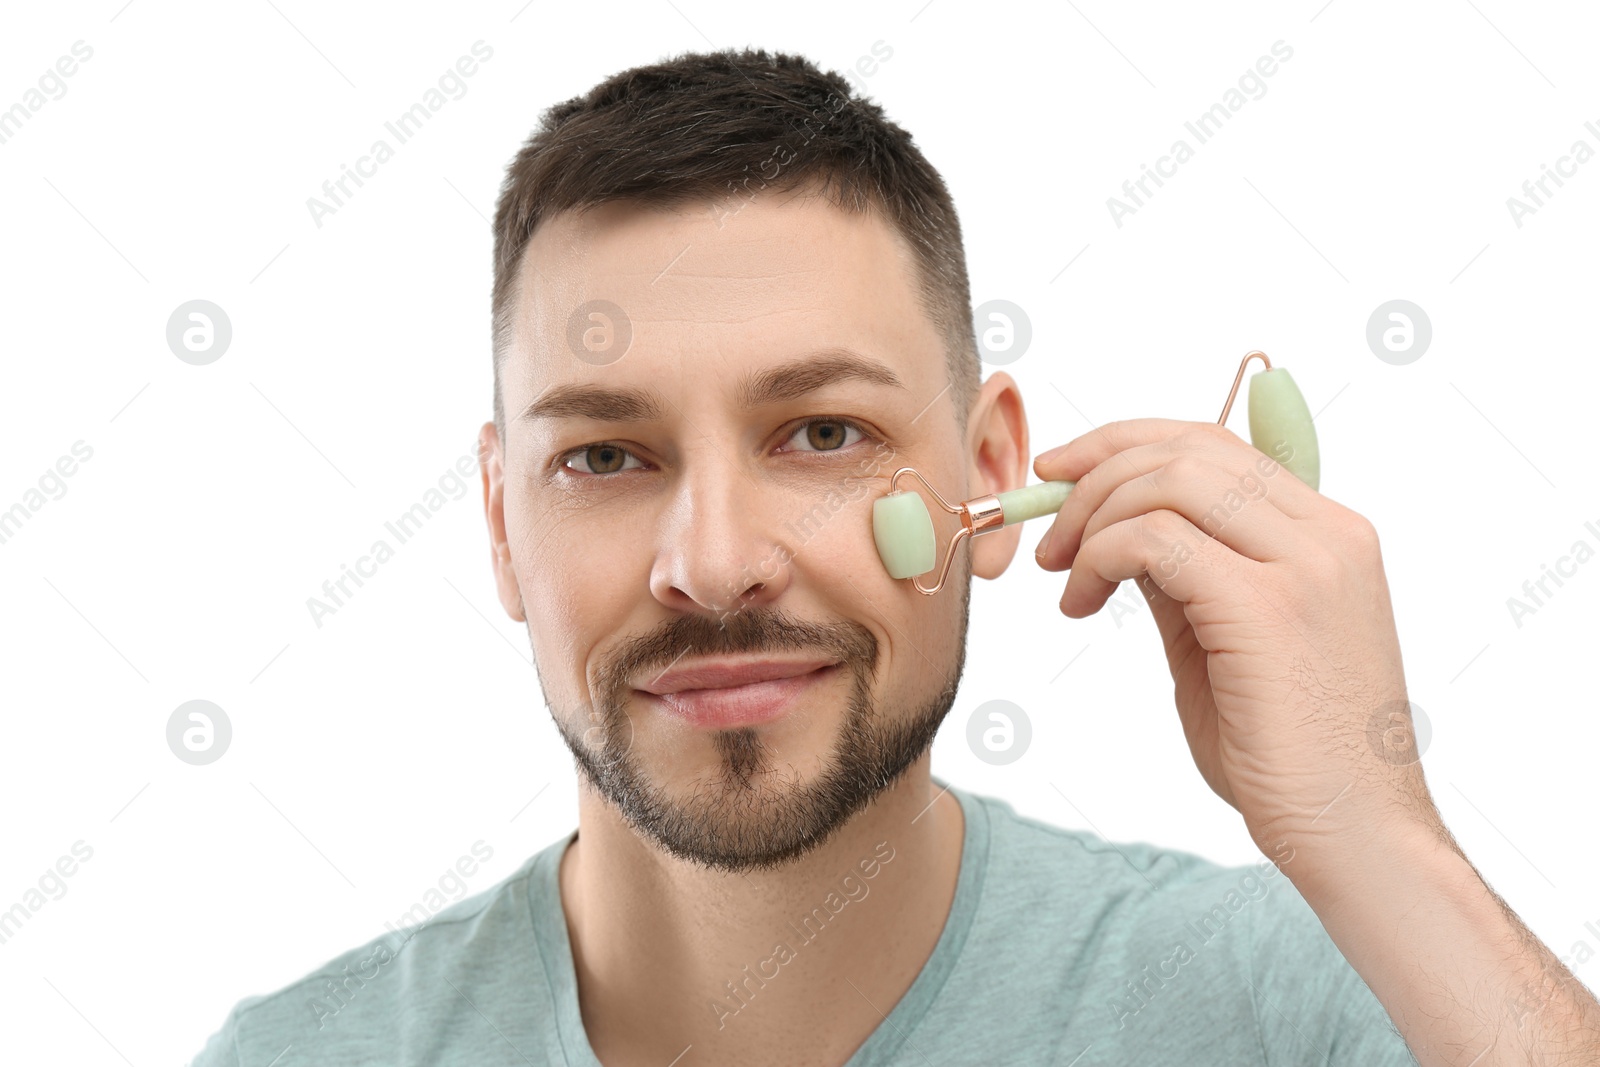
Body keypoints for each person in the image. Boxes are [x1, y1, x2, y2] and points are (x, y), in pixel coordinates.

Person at [190, 48, 1600, 1066]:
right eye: (606, 456)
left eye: (819, 433)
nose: (719, 562)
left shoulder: (1302, 999)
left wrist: (1376, 836)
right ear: (504, 526)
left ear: (989, 474)